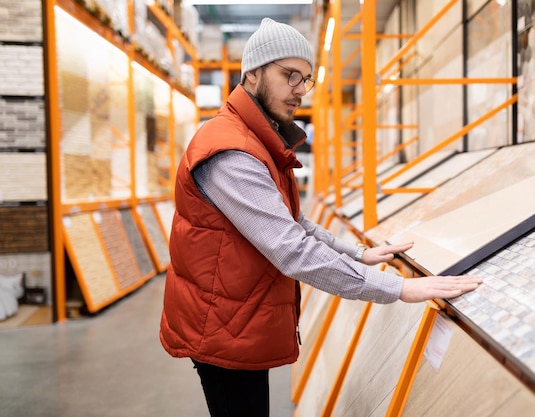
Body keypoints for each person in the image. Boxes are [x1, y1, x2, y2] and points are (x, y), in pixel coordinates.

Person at [159, 17, 482, 417]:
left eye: (306, 79)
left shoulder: (257, 140)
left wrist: (360, 254)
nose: (300, 90)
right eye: (289, 75)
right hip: (222, 326)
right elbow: (291, 249)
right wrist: (397, 289)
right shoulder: (231, 153)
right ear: (253, 72)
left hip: (236, 316)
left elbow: (293, 223)